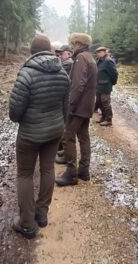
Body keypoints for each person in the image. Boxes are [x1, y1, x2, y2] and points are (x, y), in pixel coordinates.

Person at [9, 34, 70, 239]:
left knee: (25, 174)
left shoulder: (26, 74)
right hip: (54, 131)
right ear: (50, 51)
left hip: (30, 134)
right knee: (48, 169)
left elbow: (14, 112)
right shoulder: (62, 72)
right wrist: (59, 126)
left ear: (32, 51)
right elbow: (65, 107)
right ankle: (42, 214)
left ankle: (27, 223)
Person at [55, 33, 97, 186]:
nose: (72, 47)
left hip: (78, 107)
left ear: (79, 43)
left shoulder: (80, 59)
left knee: (67, 137)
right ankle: (84, 171)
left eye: (73, 44)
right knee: (84, 136)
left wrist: (70, 105)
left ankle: (71, 174)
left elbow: (78, 85)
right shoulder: (90, 57)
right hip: (86, 106)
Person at [55, 44, 74, 164]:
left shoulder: (68, 64)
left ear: (69, 54)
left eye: (62, 53)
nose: (60, 56)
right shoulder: (65, 64)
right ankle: (63, 149)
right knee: (64, 126)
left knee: (66, 127)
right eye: (59, 54)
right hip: (65, 99)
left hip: (67, 99)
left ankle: (66, 154)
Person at [94, 46, 118, 126]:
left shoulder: (108, 61)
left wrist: (112, 83)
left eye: (100, 52)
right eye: (98, 52)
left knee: (105, 102)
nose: (98, 54)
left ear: (104, 52)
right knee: (100, 102)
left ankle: (108, 120)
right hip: (99, 85)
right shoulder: (100, 61)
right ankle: (103, 117)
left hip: (105, 86)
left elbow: (114, 73)